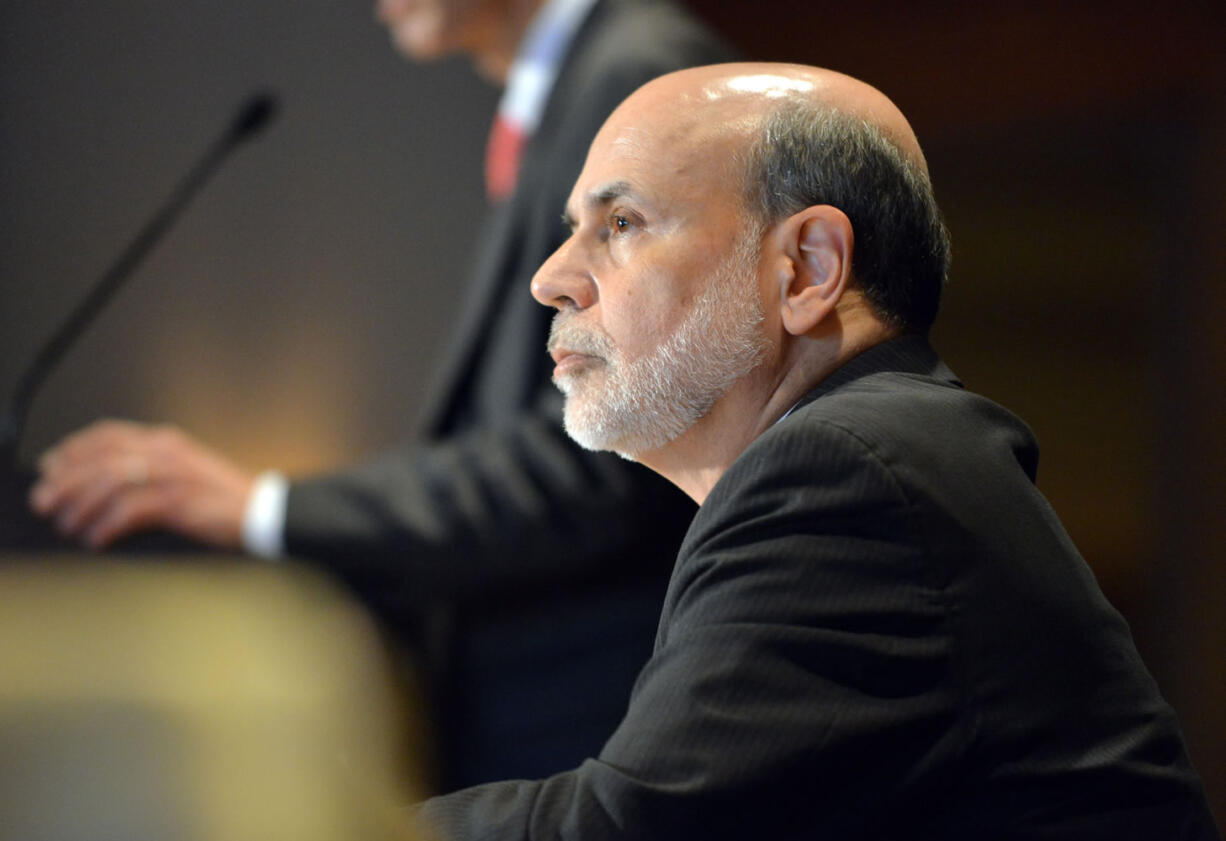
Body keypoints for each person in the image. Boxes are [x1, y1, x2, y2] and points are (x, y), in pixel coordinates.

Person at [410, 63, 1221, 839]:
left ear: (808, 268)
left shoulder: (846, 477)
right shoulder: (875, 455)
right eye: (571, 232)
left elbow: (633, 830)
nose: (551, 278)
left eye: (620, 224)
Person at [29, 0, 730, 790]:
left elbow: (611, 452)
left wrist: (265, 507)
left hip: (586, 723)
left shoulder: (633, 74)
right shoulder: (578, 78)